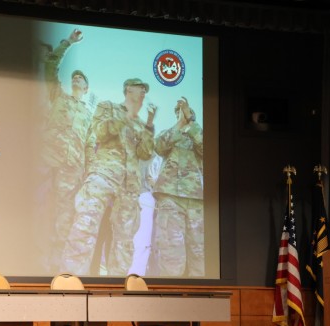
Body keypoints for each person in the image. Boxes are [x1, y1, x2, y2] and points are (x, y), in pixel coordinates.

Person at [61, 78, 155, 275]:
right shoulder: (108, 107)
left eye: (145, 90)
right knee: (85, 228)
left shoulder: (140, 124)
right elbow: (101, 133)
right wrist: (125, 116)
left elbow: (145, 153)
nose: (144, 93)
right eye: (140, 88)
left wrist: (149, 125)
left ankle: (117, 290)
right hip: (103, 175)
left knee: (124, 241)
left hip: (128, 187)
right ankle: (72, 282)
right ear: (128, 89)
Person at [36, 28, 93, 272]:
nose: (77, 78)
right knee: (34, 208)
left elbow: (93, 148)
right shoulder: (59, 95)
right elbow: (50, 66)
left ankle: (53, 270)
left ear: (87, 88)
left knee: (63, 218)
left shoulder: (91, 116)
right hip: (46, 160)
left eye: (82, 78)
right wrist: (69, 42)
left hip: (72, 171)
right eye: (75, 77)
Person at [150, 96, 204, 277]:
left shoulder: (199, 135)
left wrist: (192, 124)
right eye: (179, 113)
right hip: (170, 198)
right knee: (171, 256)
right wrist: (180, 124)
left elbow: (208, 149)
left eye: (187, 113)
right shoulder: (170, 134)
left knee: (200, 257)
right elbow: (158, 146)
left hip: (197, 201)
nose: (184, 115)